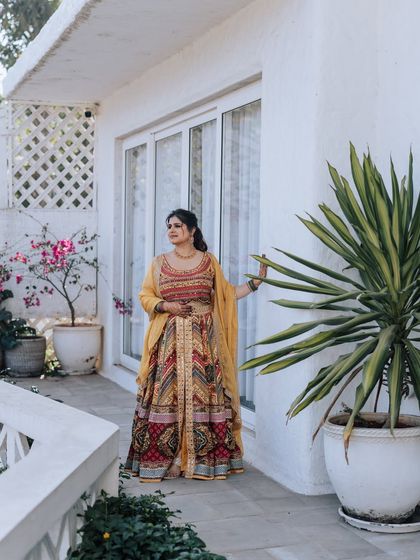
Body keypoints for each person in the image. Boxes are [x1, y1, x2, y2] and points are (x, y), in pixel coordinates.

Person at [125, 209, 267, 482]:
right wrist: (166, 305)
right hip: (169, 342)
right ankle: (169, 460)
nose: (171, 230)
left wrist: (255, 283)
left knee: (204, 395)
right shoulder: (158, 263)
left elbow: (227, 295)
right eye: (169, 226)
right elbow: (145, 295)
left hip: (204, 343)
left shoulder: (208, 262)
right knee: (168, 396)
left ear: (192, 231)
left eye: (177, 226)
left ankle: (203, 461)